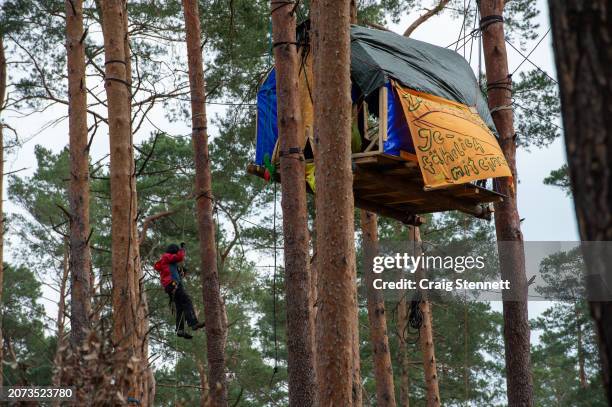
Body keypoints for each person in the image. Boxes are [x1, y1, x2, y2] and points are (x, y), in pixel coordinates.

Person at [154, 242, 205, 339]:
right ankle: (193, 323)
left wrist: (182, 272)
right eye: (176, 252)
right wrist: (182, 249)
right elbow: (179, 257)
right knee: (187, 301)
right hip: (173, 285)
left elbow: (176, 274)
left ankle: (180, 330)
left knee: (180, 308)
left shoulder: (170, 264)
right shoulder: (166, 257)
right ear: (173, 251)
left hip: (172, 286)